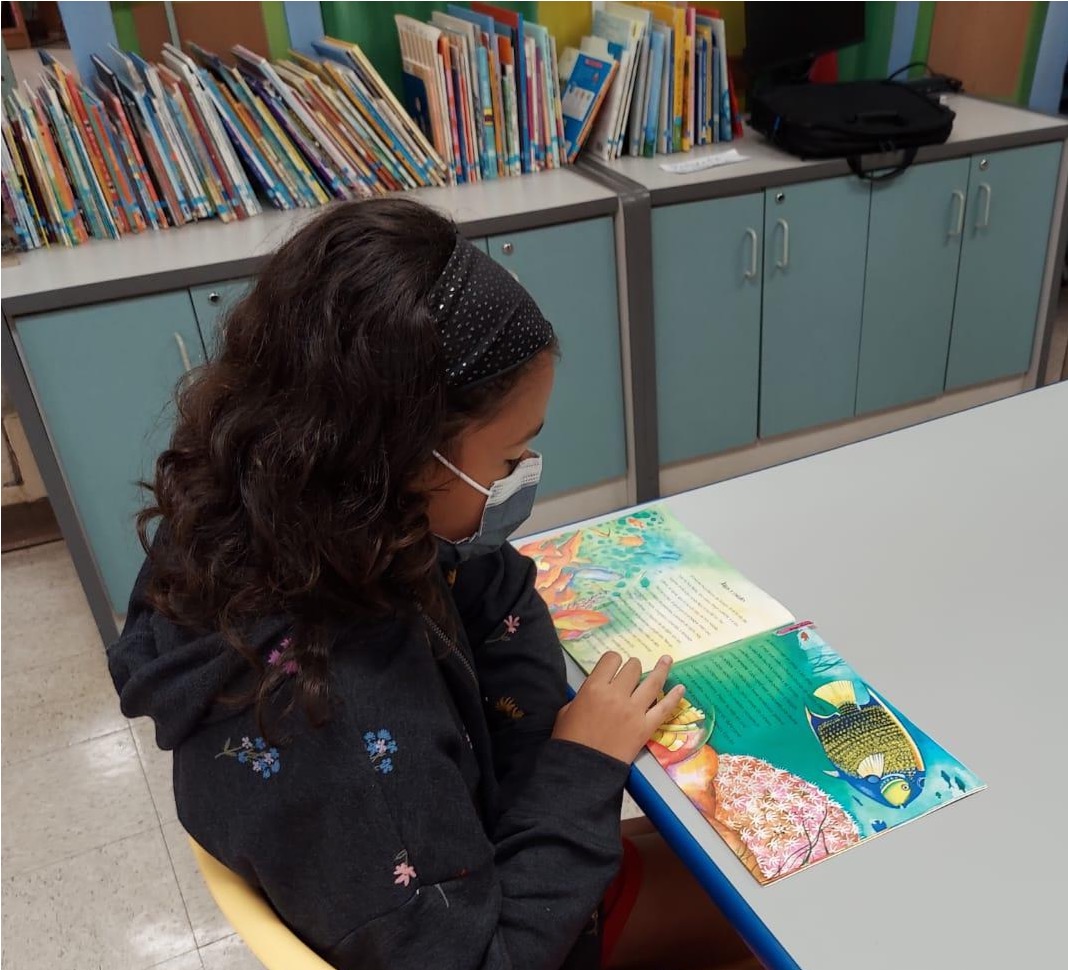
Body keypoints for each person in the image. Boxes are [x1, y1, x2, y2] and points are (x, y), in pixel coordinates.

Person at [108, 199, 756, 970]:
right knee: (766, 903)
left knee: (716, 844)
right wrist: (577, 762)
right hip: (492, 934)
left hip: (454, 870)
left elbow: (495, 581)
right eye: (509, 460)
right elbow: (492, 957)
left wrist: (535, 760)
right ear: (407, 458)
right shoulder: (344, 736)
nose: (518, 481)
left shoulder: (285, 501)